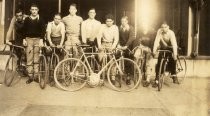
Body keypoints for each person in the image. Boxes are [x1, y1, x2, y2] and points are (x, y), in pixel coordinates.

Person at [22, 4, 45, 84]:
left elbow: (43, 31)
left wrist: (41, 40)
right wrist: (24, 39)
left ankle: (36, 76)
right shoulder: (27, 19)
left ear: (38, 10)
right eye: (32, 9)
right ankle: (30, 76)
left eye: (35, 9)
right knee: (29, 58)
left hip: (37, 40)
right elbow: (24, 30)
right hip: (29, 40)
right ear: (30, 10)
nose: (34, 11)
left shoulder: (41, 20)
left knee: (36, 58)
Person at [152, 22, 179, 87]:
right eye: (162, 27)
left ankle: (174, 75)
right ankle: (157, 79)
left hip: (171, 46)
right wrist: (154, 51)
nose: (163, 29)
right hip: (163, 47)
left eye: (165, 27)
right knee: (159, 62)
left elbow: (174, 44)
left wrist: (175, 54)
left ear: (168, 27)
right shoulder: (159, 31)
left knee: (172, 58)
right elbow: (156, 41)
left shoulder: (171, 33)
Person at [97, 14, 119, 83]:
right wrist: (99, 45)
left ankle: (113, 77)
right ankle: (100, 75)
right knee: (99, 57)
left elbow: (116, 38)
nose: (108, 22)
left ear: (113, 21)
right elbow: (99, 36)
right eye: (107, 21)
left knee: (113, 60)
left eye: (110, 21)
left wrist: (113, 47)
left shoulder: (115, 27)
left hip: (111, 44)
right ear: (105, 21)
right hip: (103, 43)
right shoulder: (102, 26)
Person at [118, 16, 135, 85]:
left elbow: (131, 38)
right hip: (121, 46)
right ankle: (117, 73)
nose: (123, 22)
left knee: (128, 60)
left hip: (129, 46)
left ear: (127, 21)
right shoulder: (120, 28)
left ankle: (128, 77)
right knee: (116, 56)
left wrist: (126, 45)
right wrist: (118, 44)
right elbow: (117, 37)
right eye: (122, 21)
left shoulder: (130, 28)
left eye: (124, 21)